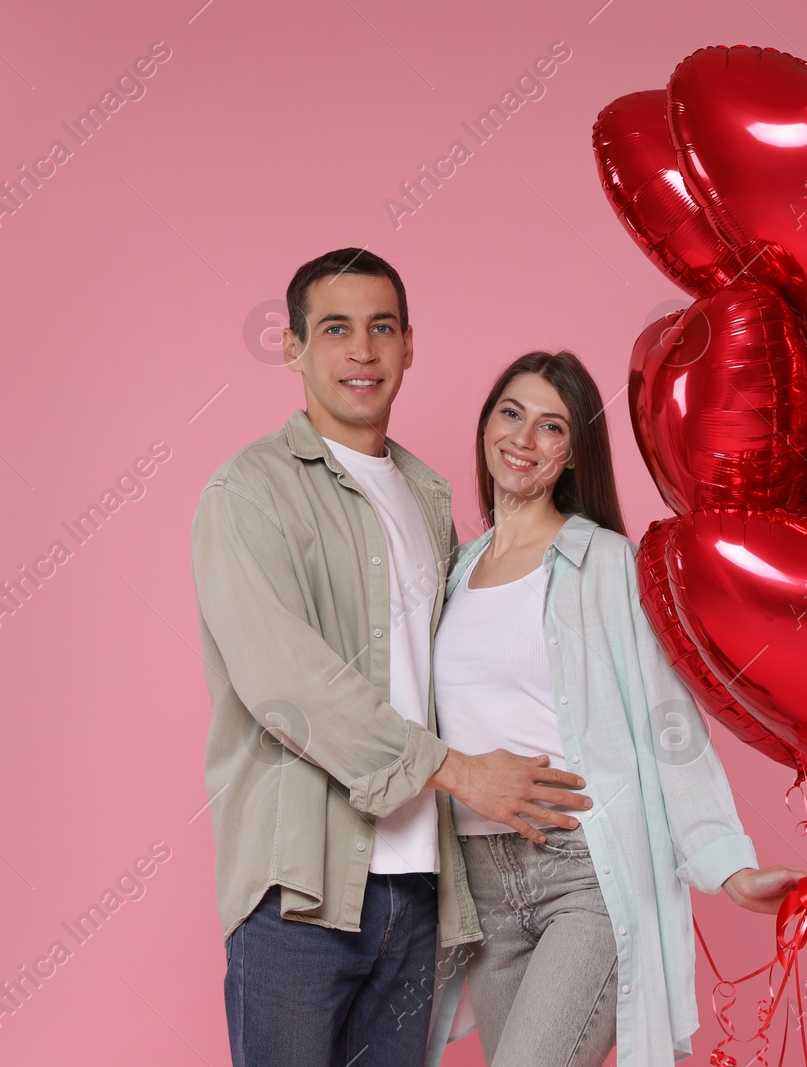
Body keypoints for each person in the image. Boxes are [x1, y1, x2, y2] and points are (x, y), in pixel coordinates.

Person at [191, 250, 594, 1067]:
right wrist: (459, 770)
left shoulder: (430, 499)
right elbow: (287, 683)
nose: (362, 352)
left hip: (422, 897)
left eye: (382, 328)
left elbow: (466, 672)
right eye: (336, 329)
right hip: (299, 892)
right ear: (293, 346)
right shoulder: (249, 492)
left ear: (411, 345)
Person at [424, 351, 807, 1067]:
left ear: (573, 456)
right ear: (486, 425)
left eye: (552, 427)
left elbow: (669, 725)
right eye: (511, 413)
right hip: (482, 886)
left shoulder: (606, 564)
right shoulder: (451, 571)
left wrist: (731, 867)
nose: (524, 438)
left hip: (584, 876)